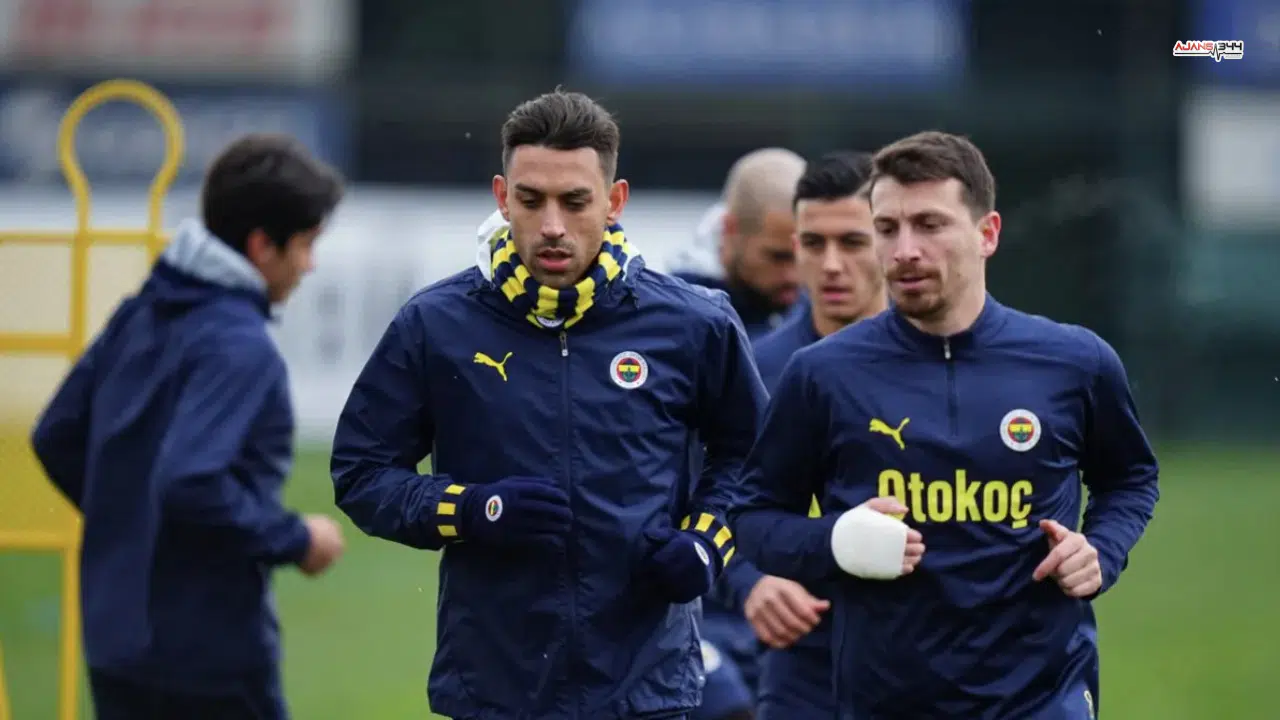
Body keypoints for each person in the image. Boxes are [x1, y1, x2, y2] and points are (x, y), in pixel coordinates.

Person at [329, 89, 767, 720]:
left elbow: (754, 459)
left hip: (647, 691)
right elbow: (362, 472)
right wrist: (470, 510)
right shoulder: (436, 325)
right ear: (502, 197)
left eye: (575, 201)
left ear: (614, 202)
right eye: (531, 201)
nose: (553, 225)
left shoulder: (694, 324)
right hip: (493, 690)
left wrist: (706, 542)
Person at [731, 131, 1160, 719]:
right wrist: (832, 541)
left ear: (988, 234)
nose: (904, 250)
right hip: (887, 700)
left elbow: (1130, 478)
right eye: (887, 228)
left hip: (1041, 697)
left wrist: (1101, 551)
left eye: (929, 225)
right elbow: (753, 516)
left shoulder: (1074, 362)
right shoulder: (821, 375)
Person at [30, 133, 347, 719]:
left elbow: (55, 435)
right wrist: (295, 538)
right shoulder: (240, 346)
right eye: (304, 245)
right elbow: (189, 479)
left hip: (115, 641)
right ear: (261, 246)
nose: (310, 265)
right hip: (206, 654)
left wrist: (129, 526)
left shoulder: (140, 313)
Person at [748, 150, 887, 720]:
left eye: (853, 242)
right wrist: (751, 582)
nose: (831, 265)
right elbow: (706, 496)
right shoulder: (753, 369)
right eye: (813, 243)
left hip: (931, 655)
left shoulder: (945, 361)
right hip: (804, 665)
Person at [670, 147, 807, 339]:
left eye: (805, 254)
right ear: (730, 229)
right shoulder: (676, 321)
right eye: (778, 257)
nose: (793, 276)